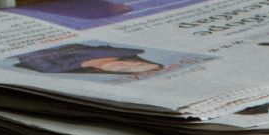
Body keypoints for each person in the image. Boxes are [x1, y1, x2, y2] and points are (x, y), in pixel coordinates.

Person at [12, 43, 170, 79]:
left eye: (123, 71)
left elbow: (26, 54)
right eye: (140, 65)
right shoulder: (130, 51)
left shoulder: (55, 68)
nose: (123, 66)